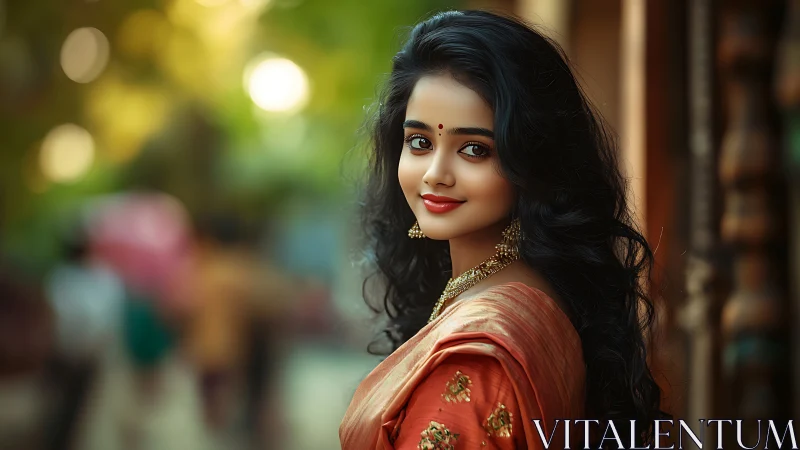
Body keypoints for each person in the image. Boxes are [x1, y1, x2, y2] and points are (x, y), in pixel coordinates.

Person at [339, 10, 668, 449]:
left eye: (474, 149)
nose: (436, 174)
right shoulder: (541, 298)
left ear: (531, 162)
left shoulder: (477, 358)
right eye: (420, 142)